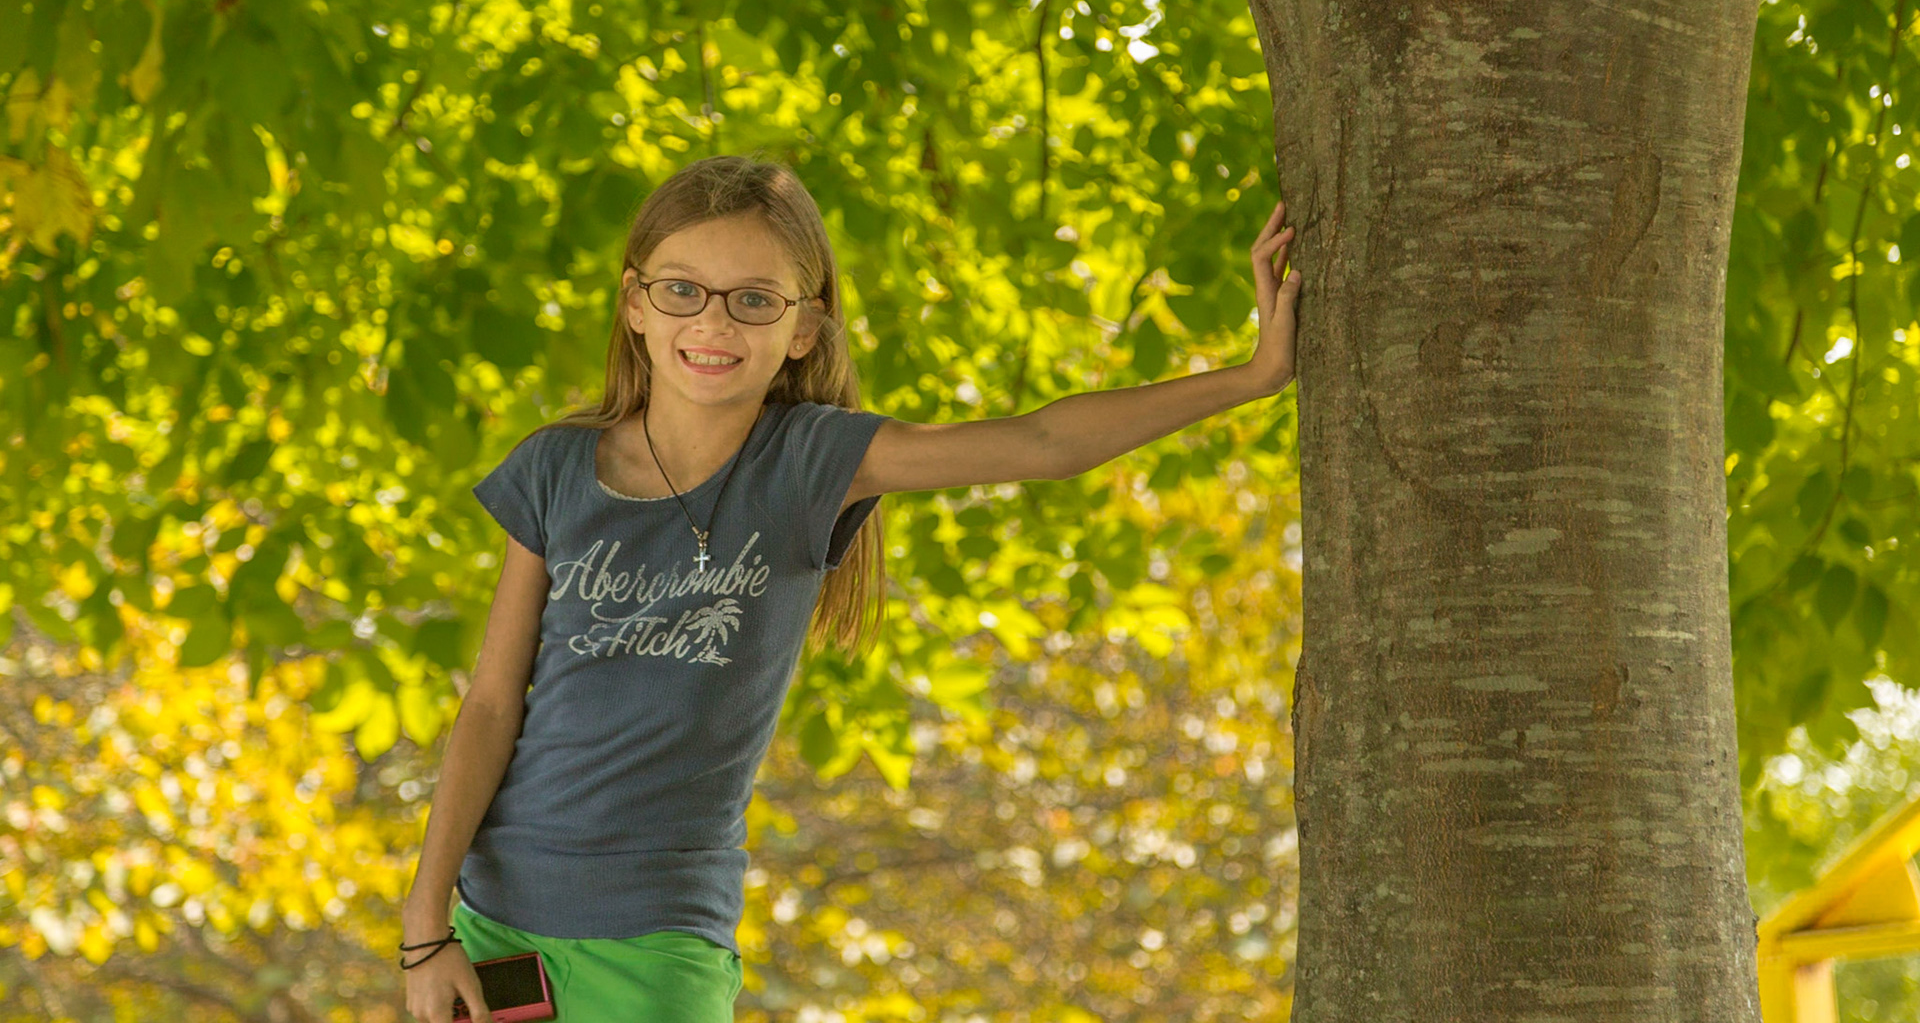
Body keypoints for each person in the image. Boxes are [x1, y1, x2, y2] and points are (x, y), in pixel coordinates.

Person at [400, 153, 1302, 1023]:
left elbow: (1041, 446)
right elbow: (488, 705)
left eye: (753, 301)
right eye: (682, 290)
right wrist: (424, 929)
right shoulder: (555, 467)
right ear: (636, 303)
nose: (712, 325)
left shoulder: (811, 462)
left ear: (803, 326)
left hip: (660, 935)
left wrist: (1253, 377)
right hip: (489, 924)